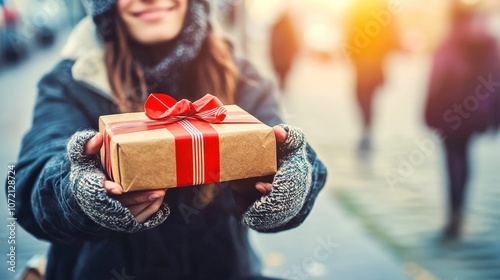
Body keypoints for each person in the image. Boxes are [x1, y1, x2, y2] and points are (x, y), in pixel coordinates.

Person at [11, 0, 327, 279]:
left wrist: (293, 175)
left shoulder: (241, 76)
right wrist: (75, 191)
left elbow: (286, 147)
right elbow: (29, 180)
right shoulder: (70, 83)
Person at [424, 2, 500, 240]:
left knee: (453, 158)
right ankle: (459, 208)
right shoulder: (491, 45)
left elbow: (436, 80)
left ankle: (455, 210)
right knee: (463, 157)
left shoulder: (449, 44)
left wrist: (428, 111)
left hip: (450, 113)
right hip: (474, 114)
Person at [346, 0, 399, 152]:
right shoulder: (374, 7)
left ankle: (367, 125)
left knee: (363, 95)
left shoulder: (362, 7)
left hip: (368, 60)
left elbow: (350, 30)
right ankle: (367, 125)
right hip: (370, 59)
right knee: (365, 95)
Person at [270, 9, 299, 92]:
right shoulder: (290, 29)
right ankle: (282, 86)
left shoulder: (279, 27)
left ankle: (282, 86)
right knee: (282, 76)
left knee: (281, 75)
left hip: (281, 58)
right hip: (283, 59)